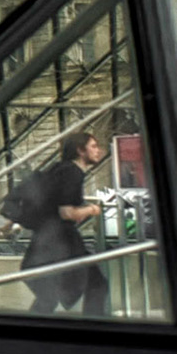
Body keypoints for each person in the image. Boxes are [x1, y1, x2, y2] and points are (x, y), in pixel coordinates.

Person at [21, 133, 112, 316]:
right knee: (96, 284)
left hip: (49, 239)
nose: (98, 151)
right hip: (62, 242)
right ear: (80, 150)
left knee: (49, 295)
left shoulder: (60, 169)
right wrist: (91, 210)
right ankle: (95, 326)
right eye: (93, 146)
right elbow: (67, 212)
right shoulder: (73, 173)